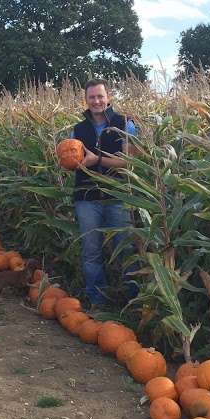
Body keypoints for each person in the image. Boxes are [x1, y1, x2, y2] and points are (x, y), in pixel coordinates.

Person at [69, 79, 138, 308]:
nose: (96, 101)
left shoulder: (125, 124)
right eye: (92, 97)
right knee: (91, 252)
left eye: (100, 96)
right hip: (87, 199)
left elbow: (130, 162)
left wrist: (96, 160)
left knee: (126, 250)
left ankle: (134, 301)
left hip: (119, 196)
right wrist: (67, 160)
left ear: (109, 97)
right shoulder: (77, 130)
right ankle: (98, 302)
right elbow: (72, 159)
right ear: (86, 100)